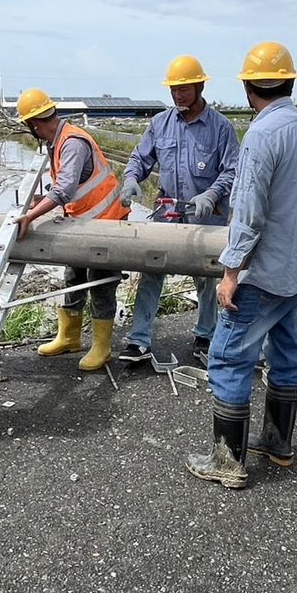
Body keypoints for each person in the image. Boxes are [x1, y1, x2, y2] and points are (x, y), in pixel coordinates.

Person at [186, 42, 297, 489]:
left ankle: (227, 461)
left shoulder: (262, 136)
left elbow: (248, 213)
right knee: (286, 354)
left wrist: (230, 275)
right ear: (290, 82)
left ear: (248, 87)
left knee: (229, 357)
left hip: (262, 275)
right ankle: (278, 444)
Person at [118, 55, 239, 363]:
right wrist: (131, 179)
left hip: (206, 214)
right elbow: (140, 159)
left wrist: (211, 194)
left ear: (199, 87)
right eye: (173, 89)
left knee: (206, 276)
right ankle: (139, 340)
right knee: (152, 269)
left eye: (183, 89)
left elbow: (232, 169)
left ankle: (205, 334)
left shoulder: (220, 127)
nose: (177, 95)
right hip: (168, 209)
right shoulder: (160, 123)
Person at [13, 88, 130, 372]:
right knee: (73, 276)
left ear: (34, 124)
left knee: (100, 282)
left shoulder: (72, 143)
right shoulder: (57, 141)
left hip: (106, 223)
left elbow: (64, 189)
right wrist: (42, 200)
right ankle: (70, 337)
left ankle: (101, 347)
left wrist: (31, 216)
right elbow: (70, 188)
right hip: (82, 223)